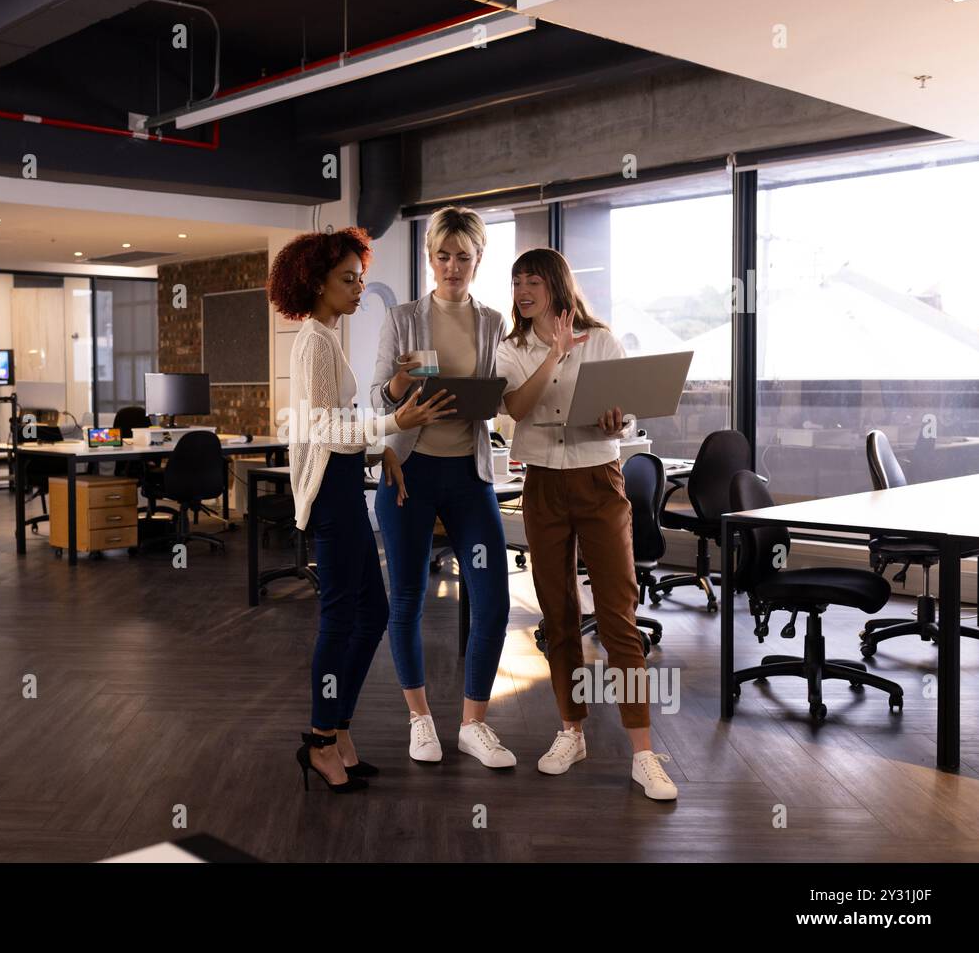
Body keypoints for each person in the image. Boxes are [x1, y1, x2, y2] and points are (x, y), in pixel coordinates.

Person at [271, 227, 456, 793]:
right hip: (330, 493)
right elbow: (322, 426)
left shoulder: (328, 336)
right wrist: (393, 426)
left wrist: (381, 451)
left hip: (346, 483)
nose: (358, 288)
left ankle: (338, 732)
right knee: (341, 618)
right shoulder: (314, 343)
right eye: (347, 279)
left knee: (371, 614)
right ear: (316, 282)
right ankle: (322, 741)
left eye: (360, 277)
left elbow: (338, 423)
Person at [497, 247, 678, 800]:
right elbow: (518, 409)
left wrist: (617, 417)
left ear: (556, 285)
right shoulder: (511, 348)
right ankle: (570, 731)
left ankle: (644, 754)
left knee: (619, 615)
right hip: (543, 487)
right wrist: (552, 355)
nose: (524, 290)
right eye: (517, 281)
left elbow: (627, 414)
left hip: (600, 480)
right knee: (559, 614)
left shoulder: (601, 340)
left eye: (533, 280)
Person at [369, 206, 515, 769]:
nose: (453, 266)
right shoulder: (403, 317)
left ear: (478, 260)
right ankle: (420, 719)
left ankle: (473, 726)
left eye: (464, 256)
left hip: (468, 474)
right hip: (410, 470)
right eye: (443, 255)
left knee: (494, 601)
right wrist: (400, 384)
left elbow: (499, 398)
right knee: (406, 598)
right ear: (430, 258)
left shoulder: (492, 321)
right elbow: (381, 398)